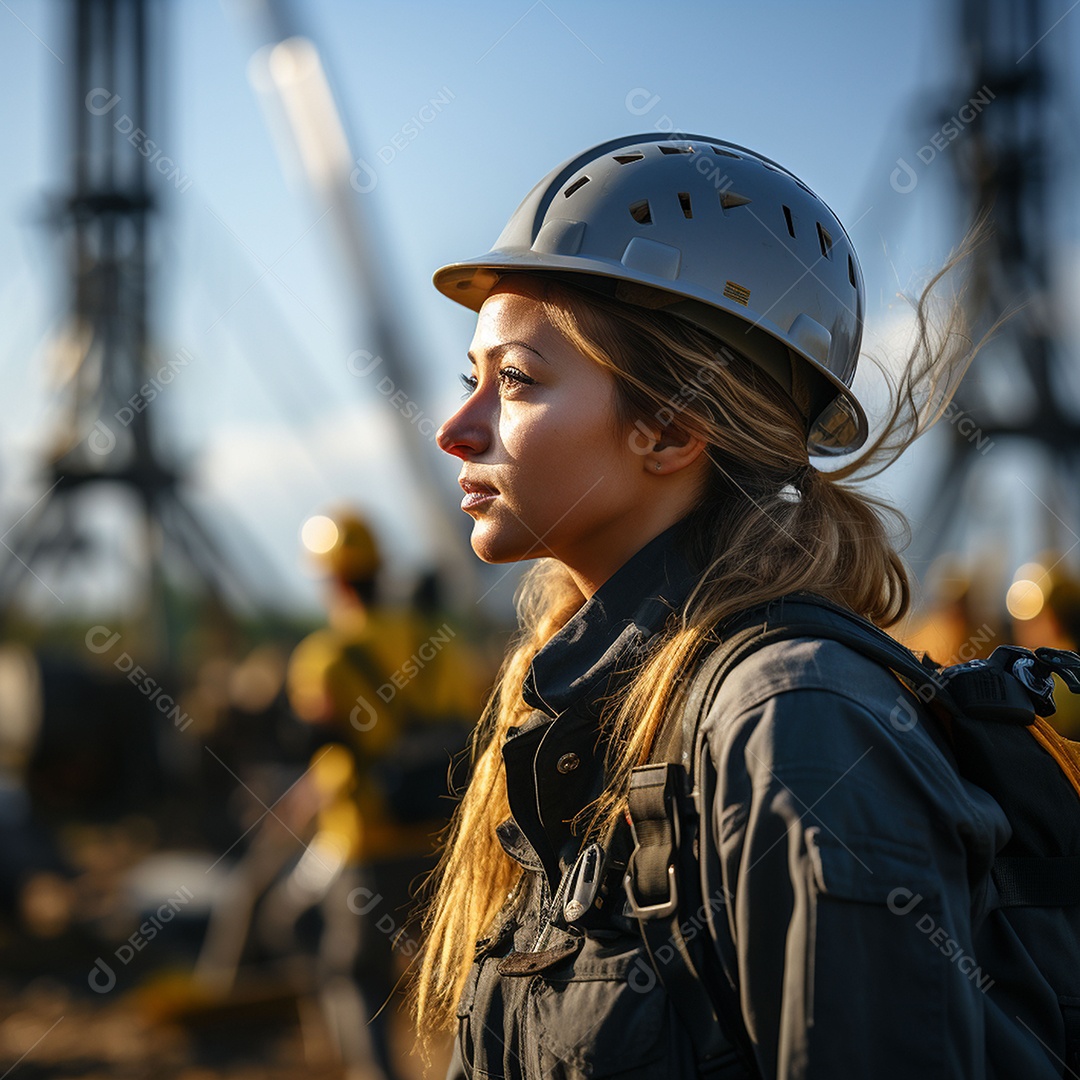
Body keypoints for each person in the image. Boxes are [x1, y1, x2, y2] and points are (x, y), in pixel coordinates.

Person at [407, 133, 1063, 1079]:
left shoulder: (793, 726)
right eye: (471, 377)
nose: (455, 427)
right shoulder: (592, 711)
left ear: (670, 428)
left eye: (514, 380)